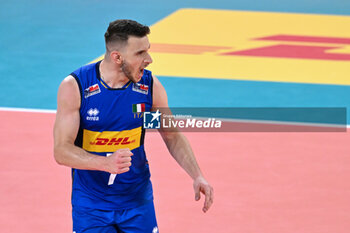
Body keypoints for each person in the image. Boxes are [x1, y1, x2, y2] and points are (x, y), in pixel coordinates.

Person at [53, 19, 213, 233]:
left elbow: (172, 136)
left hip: (137, 202)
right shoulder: (77, 87)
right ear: (117, 57)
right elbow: (62, 151)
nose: (149, 59)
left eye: (147, 51)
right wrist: (105, 163)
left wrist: (197, 175)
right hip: (92, 206)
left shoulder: (148, 88)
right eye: (140, 54)